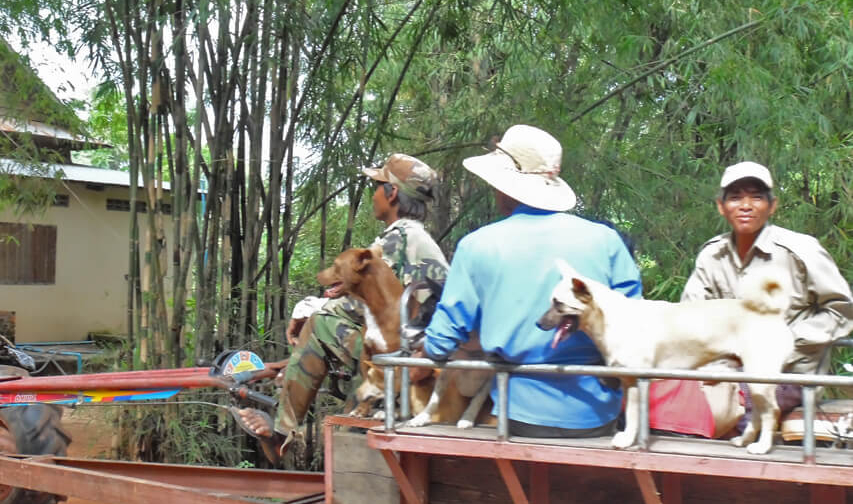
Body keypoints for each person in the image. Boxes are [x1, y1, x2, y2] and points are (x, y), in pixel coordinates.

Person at [423, 125, 643, 438]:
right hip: (597, 415)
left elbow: (440, 342)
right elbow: (633, 325)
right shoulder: (606, 240)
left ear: (506, 187)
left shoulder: (477, 245)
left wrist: (430, 344)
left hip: (518, 413)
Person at [235, 154, 449, 463]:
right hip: (422, 358)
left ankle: (282, 434)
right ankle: (337, 430)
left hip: (409, 364)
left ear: (390, 193)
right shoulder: (416, 239)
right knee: (331, 324)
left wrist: (308, 311)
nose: (372, 194)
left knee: (323, 320)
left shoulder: (397, 240)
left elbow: (360, 308)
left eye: (376, 186)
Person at [649, 161, 853, 438]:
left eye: (756, 196)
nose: (746, 205)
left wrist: (783, 341)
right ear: (721, 206)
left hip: (786, 374)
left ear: (772, 206)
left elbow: (842, 311)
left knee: (728, 421)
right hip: (721, 371)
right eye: (735, 197)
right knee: (648, 393)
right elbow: (690, 318)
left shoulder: (800, 251)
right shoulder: (712, 256)